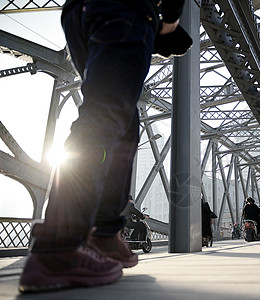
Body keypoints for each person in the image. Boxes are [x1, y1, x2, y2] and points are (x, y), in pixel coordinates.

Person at [19, 0, 188, 293]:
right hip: (126, 10)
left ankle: (104, 233)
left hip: (78, 14)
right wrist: (170, 19)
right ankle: (59, 248)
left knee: (122, 121)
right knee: (105, 116)